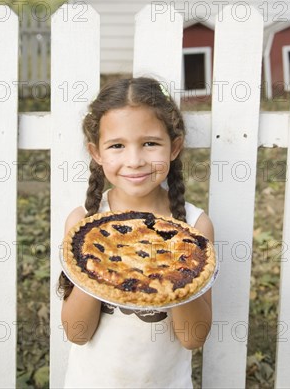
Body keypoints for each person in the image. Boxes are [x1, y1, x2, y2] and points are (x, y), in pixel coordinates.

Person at [59, 76, 214, 389]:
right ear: (96, 153)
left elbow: (193, 338)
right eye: (117, 145)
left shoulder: (195, 229)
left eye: (150, 143)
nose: (134, 160)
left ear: (175, 147)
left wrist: (176, 268)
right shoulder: (83, 225)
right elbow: (77, 332)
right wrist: (103, 259)